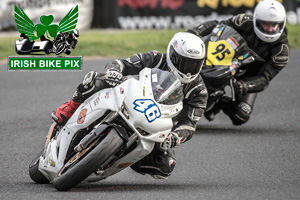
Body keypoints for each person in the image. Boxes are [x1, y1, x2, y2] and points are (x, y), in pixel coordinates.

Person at [52, 32, 208, 179]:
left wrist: (175, 137)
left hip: (156, 124)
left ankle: (113, 158)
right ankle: (70, 106)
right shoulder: (155, 58)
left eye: (194, 64)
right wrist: (114, 71)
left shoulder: (198, 91)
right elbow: (121, 63)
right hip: (130, 97)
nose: (188, 70)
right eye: (184, 62)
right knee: (98, 79)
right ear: (172, 55)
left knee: (165, 166)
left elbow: (189, 124)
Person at [187, 0, 289, 125]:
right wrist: (194, 33)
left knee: (241, 115)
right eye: (265, 24)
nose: (269, 29)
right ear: (256, 20)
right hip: (227, 60)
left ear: (281, 24)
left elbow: (264, 79)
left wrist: (245, 85)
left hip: (248, 76)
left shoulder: (281, 51)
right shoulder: (244, 21)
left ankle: (219, 102)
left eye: (274, 25)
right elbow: (218, 26)